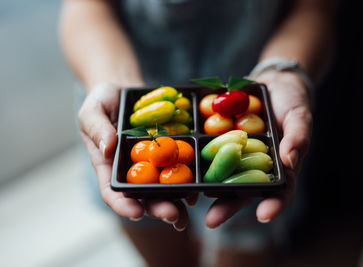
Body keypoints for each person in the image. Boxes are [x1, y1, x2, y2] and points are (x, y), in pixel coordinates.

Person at [59, 0, 339, 266]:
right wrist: (113, 81)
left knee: (247, 247)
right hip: (123, 112)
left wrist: (283, 72)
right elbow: (86, 5)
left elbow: (314, 7)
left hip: (264, 98)